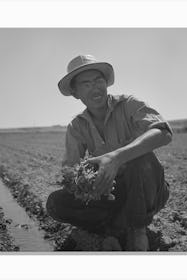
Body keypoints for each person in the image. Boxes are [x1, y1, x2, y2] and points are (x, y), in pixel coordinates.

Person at [46, 54, 172, 251]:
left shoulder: (129, 104)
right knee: (56, 203)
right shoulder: (77, 126)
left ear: (106, 83)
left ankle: (136, 231)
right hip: (113, 194)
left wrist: (116, 157)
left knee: (141, 159)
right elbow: (70, 168)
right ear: (76, 93)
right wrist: (83, 181)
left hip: (147, 189)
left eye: (99, 81)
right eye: (86, 84)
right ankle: (113, 229)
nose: (95, 87)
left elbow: (163, 133)